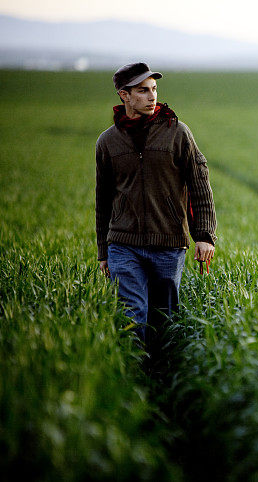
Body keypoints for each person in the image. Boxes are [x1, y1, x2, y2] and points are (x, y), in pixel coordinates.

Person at [95, 62, 217, 350]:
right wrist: (104, 251)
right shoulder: (107, 142)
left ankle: (164, 371)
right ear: (124, 96)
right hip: (123, 244)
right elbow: (103, 201)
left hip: (169, 243)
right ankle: (134, 373)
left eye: (154, 89)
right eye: (142, 91)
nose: (152, 97)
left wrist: (204, 235)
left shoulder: (178, 133)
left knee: (165, 317)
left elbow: (200, 185)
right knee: (132, 314)